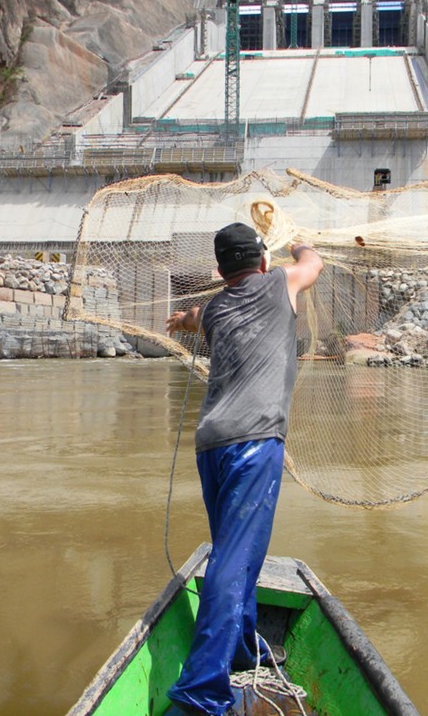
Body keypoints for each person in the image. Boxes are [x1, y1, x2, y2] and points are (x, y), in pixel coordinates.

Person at [164, 223, 323, 716]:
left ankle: (242, 650)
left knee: (239, 553)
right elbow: (312, 264)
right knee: (234, 559)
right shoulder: (280, 284)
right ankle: (202, 688)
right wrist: (300, 239)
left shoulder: (213, 310)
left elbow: (195, 317)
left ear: (220, 271)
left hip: (211, 445)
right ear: (262, 263)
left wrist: (182, 321)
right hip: (254, 442)